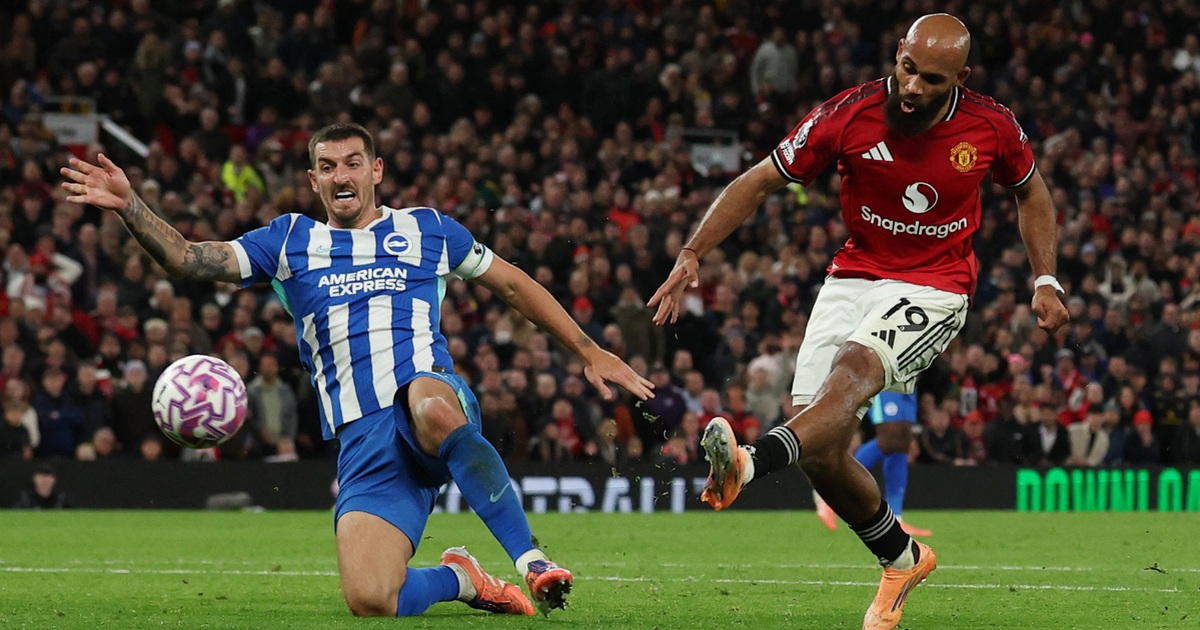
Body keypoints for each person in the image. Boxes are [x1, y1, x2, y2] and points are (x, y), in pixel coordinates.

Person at [62, 122, 654, 618]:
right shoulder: (290, 241)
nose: (340, 175)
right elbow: (191, 259)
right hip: (363, 439)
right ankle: (463, 579)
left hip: (429, 396)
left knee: (429, 402)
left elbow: (513, 285)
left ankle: (532, 559)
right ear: (313, 179)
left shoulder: (427, 228)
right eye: (327, 166)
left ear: (376, 170)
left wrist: (588, 349)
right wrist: (130, 205)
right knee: (371, 598)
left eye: (352, 163)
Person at [648, 14, 1068, 630]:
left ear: (961, 78)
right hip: (852, 277)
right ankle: (902, 558)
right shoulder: (847, 113)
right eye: (908, 69)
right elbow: (761, 180)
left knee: (854, 371)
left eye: (932, 79)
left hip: (937, 285)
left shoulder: (991, 125)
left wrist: (1045, 279)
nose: (914, 87)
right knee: (820, 450)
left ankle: (748, 463)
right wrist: (692, 252)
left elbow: (1031, 192)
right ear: (897, 53)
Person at [813, 391, 933, 537]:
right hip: (887, 382)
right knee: (889, 439)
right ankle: (829, 493)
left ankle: (896, 518)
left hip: (908, 380)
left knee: (903, 440)